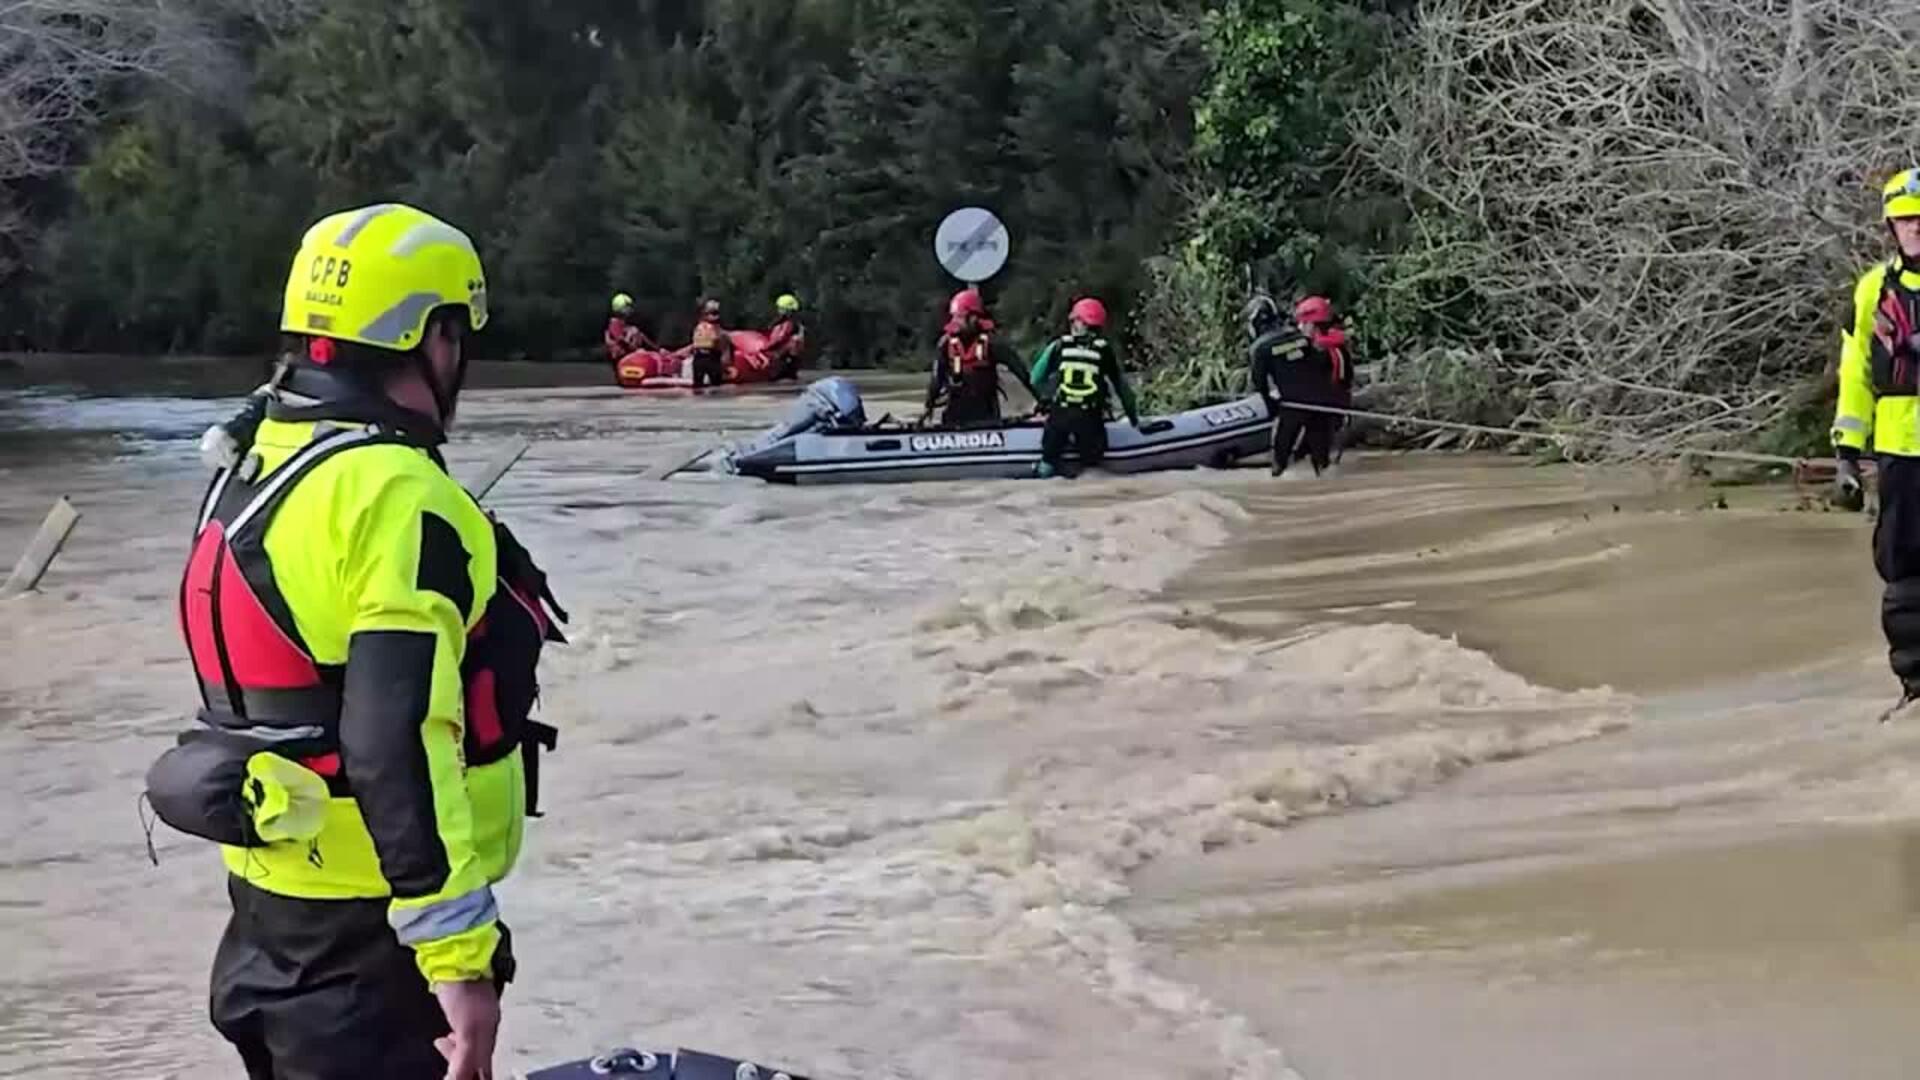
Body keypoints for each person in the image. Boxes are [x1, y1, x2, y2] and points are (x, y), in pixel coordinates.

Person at [142, 203, 567, 1080]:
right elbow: (395, 739)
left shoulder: (259, 465)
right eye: (458, 336)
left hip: (270, 923)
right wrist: (458, 962)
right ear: (434, 338)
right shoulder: (394, 495)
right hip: (372, 947)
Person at [1832, 166, 1920, 713]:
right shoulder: (1872, 291)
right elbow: (1855, 375)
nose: (1918, 228)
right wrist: (1845, 453)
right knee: (1906, 570)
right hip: (1900, 452)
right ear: (1891, 225)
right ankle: (1916, 684)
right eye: (1907, 220)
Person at [1028, 297, 1140, 478]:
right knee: (1092, 466)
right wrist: (1134, 420)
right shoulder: (1104, 350)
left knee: (1048, 461)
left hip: (1060, 416)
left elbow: (1035, 379)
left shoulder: (1059, 345)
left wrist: (1047, 399)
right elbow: (1122, 389)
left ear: (1078, 321)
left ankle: (1043, 477)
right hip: (1089, 419)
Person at [1249, 294, 1347, 477]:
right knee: (1322, 466)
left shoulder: (1260, 349)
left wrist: (1272, 406)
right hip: (1321, 403)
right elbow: (1322, 361)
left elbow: (1259, 384)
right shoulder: (1300, 335)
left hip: (1293, 406)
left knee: (1279, 462)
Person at [923, 288, 1031, 426]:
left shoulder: (992, 342)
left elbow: (1021, 372)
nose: (957, 321)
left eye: (960, 316)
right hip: (955, 412)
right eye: (955, 316)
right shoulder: (946, 344)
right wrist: (928, 406)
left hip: (986, 413)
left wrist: (1042, 400)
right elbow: (936, 379)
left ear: (975, 317)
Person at [689, 297, 733, 389]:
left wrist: (725, 366)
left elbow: (724, 348)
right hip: (704, 358)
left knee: (705, 387)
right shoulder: (701, 328)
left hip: (708, 358)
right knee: (708, 387)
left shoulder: (720, 332)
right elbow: (693, 346)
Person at [765, 293, 808, 381]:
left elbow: (778, 340)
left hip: (783, 362)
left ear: (785, 310)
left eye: (780, 308)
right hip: (788, 363)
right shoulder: (795, 324)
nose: (778, 310)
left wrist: (764, 348)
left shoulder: (788, 324)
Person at [604, 293, 654, 364]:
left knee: (635, 330)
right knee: (634, 331)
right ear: (620, 308)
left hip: (628, 355)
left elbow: (642, 336)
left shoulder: (625, 325)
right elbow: (621, 340)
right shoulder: (614, 323)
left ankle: (657, 351)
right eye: (628, 307)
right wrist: (636, 350)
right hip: (620, 357)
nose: (631, 309)